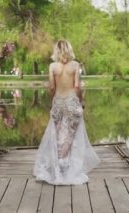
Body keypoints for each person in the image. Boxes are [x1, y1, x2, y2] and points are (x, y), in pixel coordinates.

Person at [33, 40, 100, 185]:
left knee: (56, 134)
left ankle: (57, 168)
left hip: (58, 101)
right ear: (69, 50)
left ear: (56, 51)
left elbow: (51, 87)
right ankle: (67, 168)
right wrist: (81, 102)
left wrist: (53, 102)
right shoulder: (75, 65)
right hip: (71, 101)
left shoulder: (52, 66)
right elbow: (77, 87)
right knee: (70, 136)